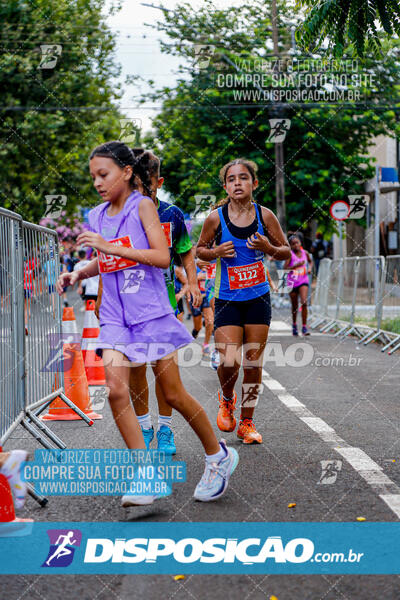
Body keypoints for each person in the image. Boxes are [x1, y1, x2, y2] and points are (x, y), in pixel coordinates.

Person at [57, 141, 238, 505]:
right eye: (92, 176)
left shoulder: (143, 207)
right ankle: (146, 476)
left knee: (172, 393)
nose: (97, 182)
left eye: (103, 174)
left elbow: (159, 256)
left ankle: (219, 457)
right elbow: (106, 262)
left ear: (126, 172)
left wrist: (111, 249)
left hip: (151, 312)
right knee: (115, 390)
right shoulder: (96, 216)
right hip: (114, 316)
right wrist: (80, 271)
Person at [95, 148, 202, 455]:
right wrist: (103, 296)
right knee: (137, 367)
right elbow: (108, 259)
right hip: (129, 306)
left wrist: (192, 281)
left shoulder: (172, 215)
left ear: (158, 181)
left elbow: (185, 250)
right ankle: (144, 426)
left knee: (165, 371)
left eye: (147, 184)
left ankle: (166, 430)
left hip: (164, 304)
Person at [197, 158, 290, 444]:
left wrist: (268, 247)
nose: (238, 183)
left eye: (243, 178)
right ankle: (227, 398)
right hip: (227, 299)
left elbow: (285, 251)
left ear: (254, 183)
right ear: (225, 186)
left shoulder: (265, 216)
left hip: (258, 297)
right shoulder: (216, 217)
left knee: (253, 363)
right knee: (228, 360)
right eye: (232, 179)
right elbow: (200, 250)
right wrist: (216, 252)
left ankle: (247, 423)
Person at [284, 234, 313, 336]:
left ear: (300, 243)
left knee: (304, 302)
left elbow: (310, 262)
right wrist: (295, 266)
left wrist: (309, 268)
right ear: (290, 246)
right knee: (294, 306)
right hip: (292, 282)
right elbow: (285, 268)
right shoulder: (290, 255)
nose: (296, 245)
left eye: (297, 242)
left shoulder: (305, 253)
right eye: (293, 244)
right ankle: (294, 325)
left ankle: (304, 327)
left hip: (303, 280)